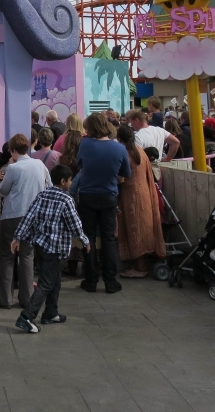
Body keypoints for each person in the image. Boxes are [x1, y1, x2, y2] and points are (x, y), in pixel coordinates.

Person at [12, 164, 90, 333]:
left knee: (55, 280)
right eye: (70, 180)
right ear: (63, 181)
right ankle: (27, 316)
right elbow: (75, 225)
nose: (71, 183)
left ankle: (50, 312)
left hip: (41, 245)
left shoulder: (43, 195)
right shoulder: (67, 199)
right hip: (55, 248)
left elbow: (29, 217)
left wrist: (18, 237)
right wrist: (85, 240)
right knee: (46, 283)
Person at [76, 113, 130, 294]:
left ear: (92, 128)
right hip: (109, 195)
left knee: (88, 237)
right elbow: (125, 174)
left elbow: (80, 165)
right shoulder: (119, 148)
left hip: (87, 194)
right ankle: (110, 281)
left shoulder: (85, 144)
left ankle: (90, 280)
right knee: (108, 239)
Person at [0, 133, 50, 311]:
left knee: (7, 257)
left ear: (12, 150)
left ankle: (5, 298)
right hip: (34, 215)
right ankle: (27, 298)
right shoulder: (40, 165)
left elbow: (3, 191)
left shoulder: (13, 168)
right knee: (27, 256)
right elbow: (48, 186)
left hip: (13, 215)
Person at [114, 125, 166, 277]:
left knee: (134, 229)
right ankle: (141, 265)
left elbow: (121, 177)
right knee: (143, 228)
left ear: (119, 138)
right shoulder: (141, 152)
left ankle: (140, 268)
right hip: (145, 193)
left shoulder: (125, 154)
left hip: (130, 196)